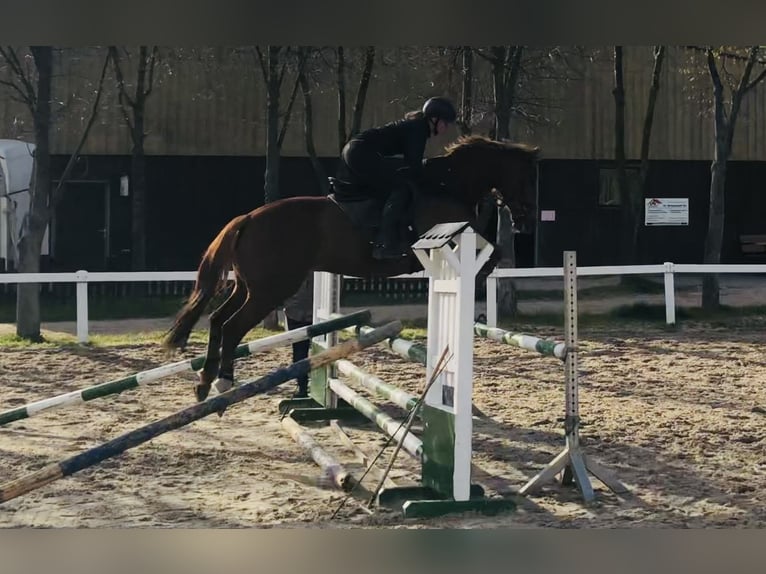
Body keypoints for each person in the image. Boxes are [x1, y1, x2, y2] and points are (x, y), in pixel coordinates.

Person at [340, 96, 457, 260]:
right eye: (445, 123)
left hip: (355, 150)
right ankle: (385, 243)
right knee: (402, 188)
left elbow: (411, 165)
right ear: (434, 119)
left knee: (397, 181)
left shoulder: (417, 127)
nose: (446, 128)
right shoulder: (418, 129)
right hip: (361, 153)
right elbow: (414, 166)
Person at [283, 274, 314, 398]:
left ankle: (303, 387)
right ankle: (302, 386)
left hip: (299, 310)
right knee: (299, 351)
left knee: (299, 351)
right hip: (297, 311)